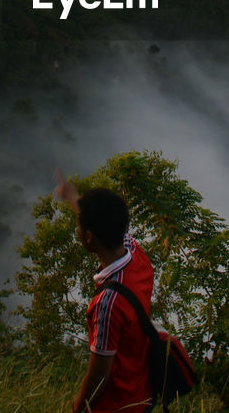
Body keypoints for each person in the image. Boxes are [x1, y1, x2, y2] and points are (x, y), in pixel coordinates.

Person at [56, 174, 155, 413]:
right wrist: (74, 199)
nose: (77, 231)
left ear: (89, 238)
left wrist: (76, 410)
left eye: (80, 227)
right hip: (144, 394)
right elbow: (105, 217)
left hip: (119, 406)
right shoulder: (136, 253)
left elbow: (99, 376)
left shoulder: (108, 303)